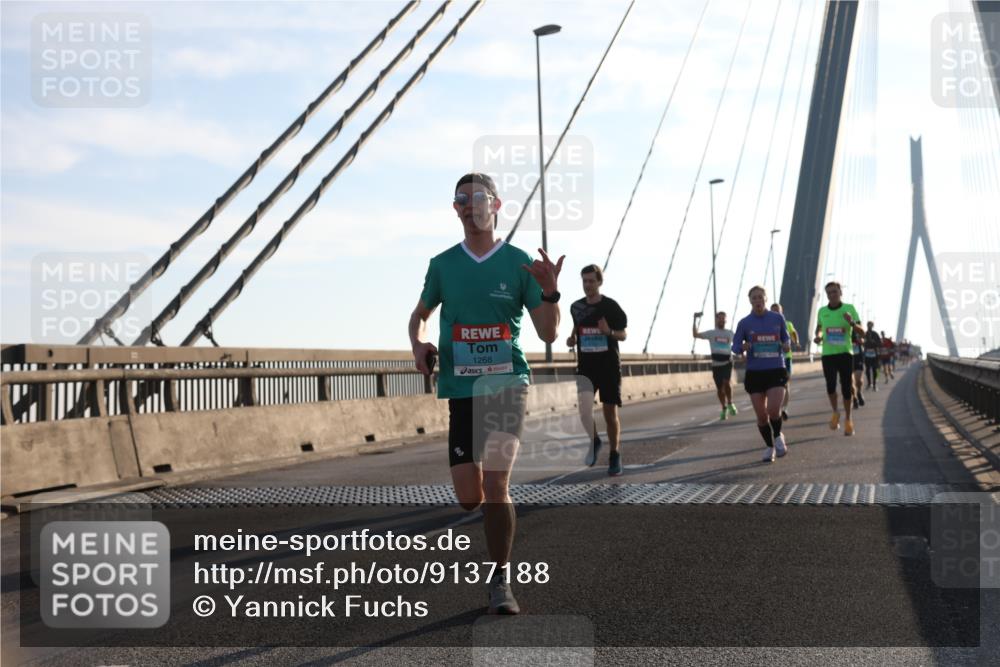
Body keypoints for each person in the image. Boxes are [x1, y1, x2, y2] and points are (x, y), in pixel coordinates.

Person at [409, 172, 563, 615]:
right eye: (462, 199)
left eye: (480, 198)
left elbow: (550, 331)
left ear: (496, 206)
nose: (471, 205)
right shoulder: (442, 265)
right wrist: (419, 342)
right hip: (461, 389)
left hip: (506, 385)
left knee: (496, 484)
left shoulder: (519, 264)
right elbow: (418, 316)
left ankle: (501, 580)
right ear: (455, 209)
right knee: (468, 496)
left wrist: (550, 291)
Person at [567, 264, 628, 476]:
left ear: (599, 282)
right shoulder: (576, 307)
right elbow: (578, 323)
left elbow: (623, 335)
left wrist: (608, 331)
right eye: (585, 281)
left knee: (610, 413)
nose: (588, 285)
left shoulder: (611, 307)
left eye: (592, 281)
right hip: (586, 367)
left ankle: (614, 454)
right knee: (583, 411)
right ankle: (594, 440)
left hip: (609, 366)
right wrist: (572, 337)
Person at [732, 286, 791, 462]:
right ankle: (769, 446)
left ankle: (778, 435)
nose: (758, 301)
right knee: (761, 415)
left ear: (766, 299)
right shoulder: (744, 323)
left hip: (775, 369)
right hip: (755, 372)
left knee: (773, 409)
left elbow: (785, 337)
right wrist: (742, 347)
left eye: (760, 297)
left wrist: (786, 344)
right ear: (750, 301)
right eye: (754, 298)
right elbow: (734, 347)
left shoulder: (777, 318)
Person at [813, 281, 864, 436]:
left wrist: (851, 323)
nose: (832, 295)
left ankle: (849, 419)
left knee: (847, 388)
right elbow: (819, 330)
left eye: (834, 292)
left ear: (840, 292)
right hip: (828, 354)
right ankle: (836, 412)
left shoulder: (849, 309)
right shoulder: (822, 311)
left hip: (845, 353)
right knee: (830, 386)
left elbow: (862, 333)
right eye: (829, 293)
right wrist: (818, 338)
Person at [692, 311, 737, 420]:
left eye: (723, 318)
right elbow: (695, 334)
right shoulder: (712, 333)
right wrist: (694, 320)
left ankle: (730, 402)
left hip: (727, 362)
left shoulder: (730, 333)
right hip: (716, 364)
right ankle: (724, 407)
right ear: (716, 320)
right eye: (719, 318)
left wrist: (743, 354)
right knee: (719, 388)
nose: (721, 320)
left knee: (726, 383)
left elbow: (739, 343)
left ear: (726, 320)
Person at [770, 303, 798, 420]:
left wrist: (795, 341)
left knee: (785, 384)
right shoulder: (767, 324)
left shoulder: (788, 324)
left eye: (778, 311)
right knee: (771, 386)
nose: (776, 313)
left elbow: (794, 333)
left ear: (782, 312)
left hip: (786, 358)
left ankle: (784, 408)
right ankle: (773, 408)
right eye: (773, 311)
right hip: (771, 358)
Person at [863, 321, 881, 390]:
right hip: (867, 354)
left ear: (873, 326)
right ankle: (869, 383)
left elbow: (879, 343)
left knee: (874, 369)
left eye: (871, 325)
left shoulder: (875, 334)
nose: (869, 326)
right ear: (867, 326)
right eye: (868, 325)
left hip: (874, 354)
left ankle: (874, 384)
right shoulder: (864, 333)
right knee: (867, 369)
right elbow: (862, 342)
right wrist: (864, 343)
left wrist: (874, 342)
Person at [850, 329, 866, 409]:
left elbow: (864, 337)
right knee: (850, 383)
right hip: (847, 359)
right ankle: (855, 398)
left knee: (859, 380)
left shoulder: (856, 329)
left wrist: (861, 340)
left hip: (858, 358)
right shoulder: (841, 329)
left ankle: (859, 392)